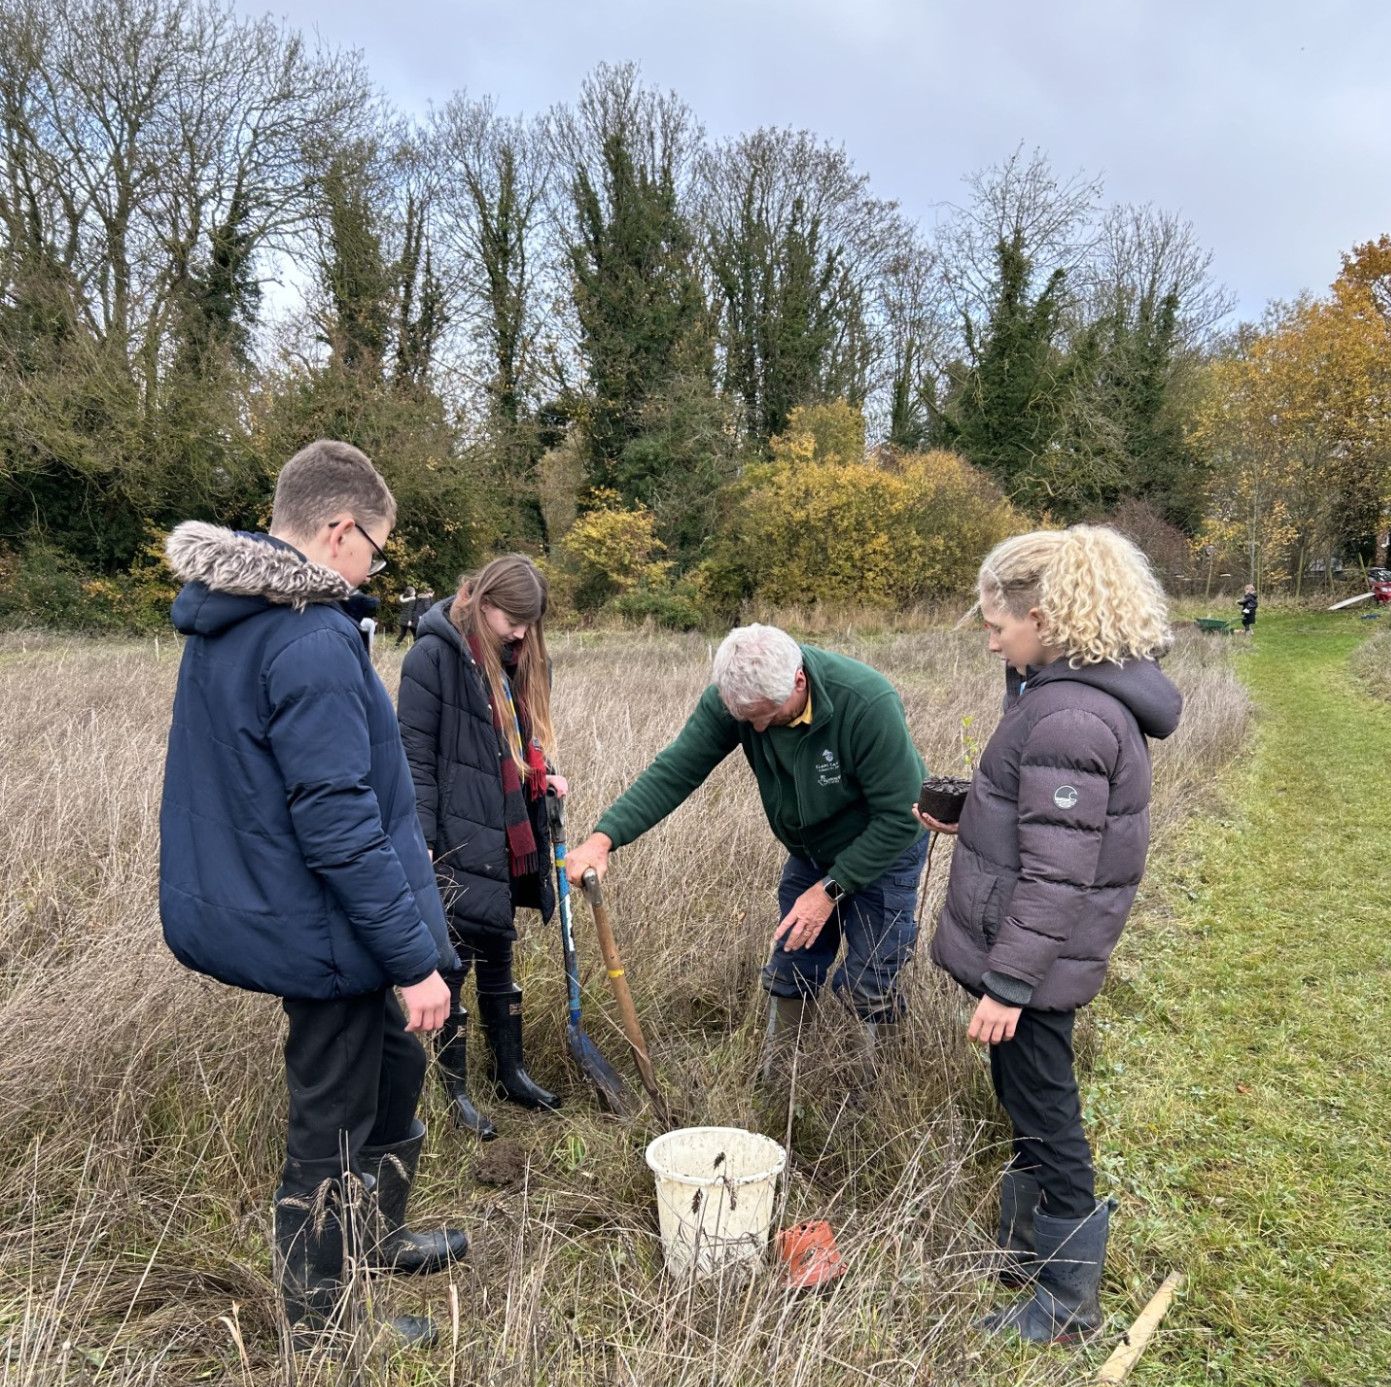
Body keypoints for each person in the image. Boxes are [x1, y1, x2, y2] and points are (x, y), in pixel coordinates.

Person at [159, 439, 466, 1346]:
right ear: (339, 531)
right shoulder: (307, 637)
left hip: (319, 913)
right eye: (376, 545)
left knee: (397, 1065)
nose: (377, 563)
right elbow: (337, 822)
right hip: (323, 925)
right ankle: (323, 1331)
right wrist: (415, 962)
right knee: (329, 1116)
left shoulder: (245, 617)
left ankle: (379, 1236)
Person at [920, 525, 1181, 1344]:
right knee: (1023, 1099)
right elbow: (1049, 825)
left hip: (1030, 965)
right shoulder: (1059, 693)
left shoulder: (1071, 714)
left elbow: (1061, 874)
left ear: (1046, 615)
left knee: (1046, 1116)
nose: (992, 638)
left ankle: (1066, 1306)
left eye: (999, 624)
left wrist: (1009, 985)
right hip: (1028, 956)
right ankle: (1026, 1254)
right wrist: (975, 813)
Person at [565, 625, 927, 1068]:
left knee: (871, 978)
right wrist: (604, 839)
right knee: (793, 959)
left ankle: (874, 1090)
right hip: (812, 849)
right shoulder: (737, 700)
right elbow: (677, 770)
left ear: (798, 681)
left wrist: (830, 891)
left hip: (883, 848)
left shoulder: (865, 702)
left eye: (765, 714)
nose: (755, 727)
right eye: (744, 718)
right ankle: (781, 1078)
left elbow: (900, 816)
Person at [398, 556, 565, 1137]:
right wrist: (421, 838)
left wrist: (546, 775)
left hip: (508, 819)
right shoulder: (433, 656)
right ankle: (455, 1092)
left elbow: (519, 737)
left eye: (529, 621)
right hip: (456, 825)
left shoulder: (512, 658)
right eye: (513, 618)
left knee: (499, 946)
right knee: (456, 958)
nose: (521, 631)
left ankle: (510, 1072)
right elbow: (412, 754)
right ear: (483, 599)